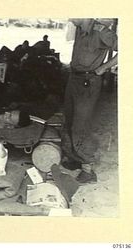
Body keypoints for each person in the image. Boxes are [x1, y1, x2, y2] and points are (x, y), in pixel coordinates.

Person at [62, 18, 118, 184]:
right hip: (74, 79)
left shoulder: (101, 31)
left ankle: (88, 169)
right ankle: (75, 158)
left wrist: (104, 67)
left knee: (81, 124)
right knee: (69, 119)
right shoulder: (79, 29)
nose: (70, 17)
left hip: (89, 82)